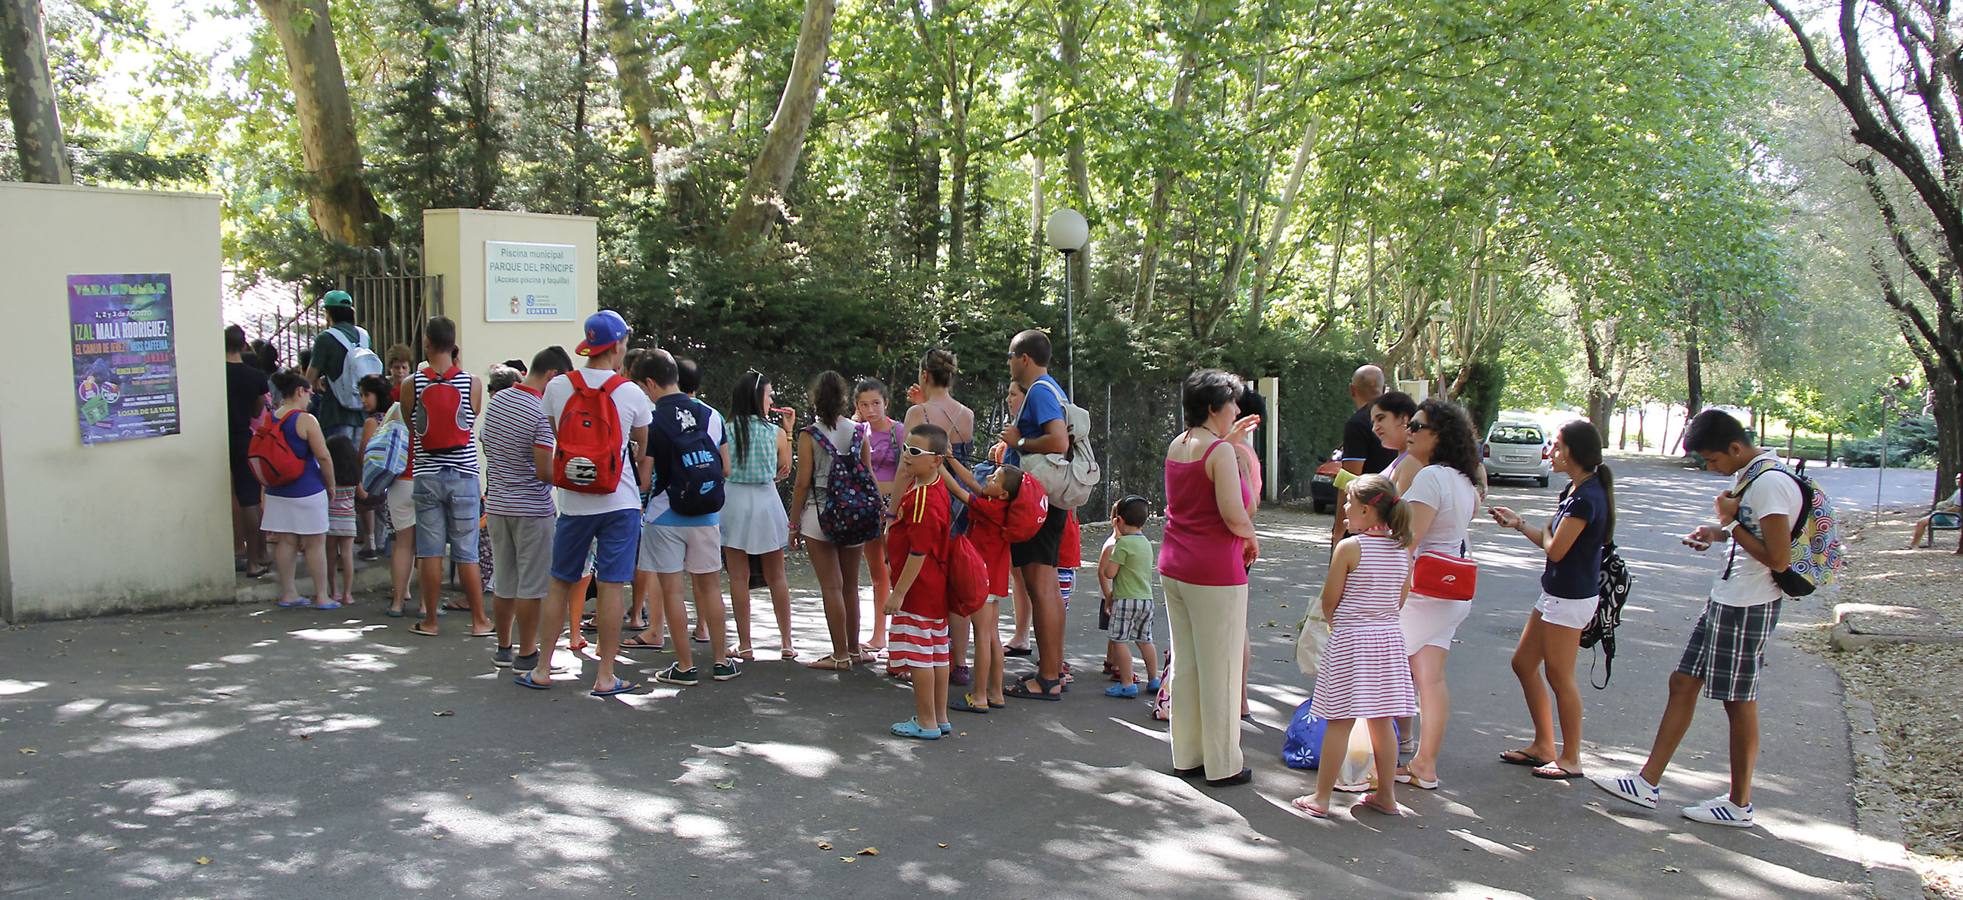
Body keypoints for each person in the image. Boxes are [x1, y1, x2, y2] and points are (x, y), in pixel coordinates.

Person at [1592, 409, 1801, 829]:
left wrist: (1729, 523)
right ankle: (1647, 782)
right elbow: (1755, 533)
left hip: (1749, 603)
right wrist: (1719, 531)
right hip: (1729, 598)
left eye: (1712, 459)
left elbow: (1778, 557)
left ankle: (1740, 804)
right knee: (1683, 680)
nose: (1711, 468)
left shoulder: (1771, 483)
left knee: (1738, 700)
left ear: (1735, 448)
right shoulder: (1755, 477)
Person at [522, 310, 649, 695]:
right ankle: (605, 675)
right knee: (612, 586)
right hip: (619, 500)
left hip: (574, 502)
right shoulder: (630, 392)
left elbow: (561, 437)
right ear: (618, 345)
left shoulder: (559, 386)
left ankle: (543, 668)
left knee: (560, 582)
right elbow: (642, 447)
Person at [1488, 420, 1615, 781]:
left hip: (1570, 597)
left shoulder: (1587, 497)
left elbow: (1556, 549)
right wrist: (1519, 523)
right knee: (1524, 664)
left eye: (1557, 446)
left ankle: (1571, 757)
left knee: (1560, 676)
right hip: (1556, 593)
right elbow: (1551, 541)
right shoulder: (1577, 491)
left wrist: (1543, 532)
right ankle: (1544, 745)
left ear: (1573, 451)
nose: (1552, 452)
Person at [1290, 474, 1418, 819]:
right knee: (1382, 720)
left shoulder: (1350, 547)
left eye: (1348, 502)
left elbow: (1330, 600)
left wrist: (1340, 622)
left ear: (1365, 509)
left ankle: (1322, 796)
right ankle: (1386, 795)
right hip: (1388, 639)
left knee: (1338, 720)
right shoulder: (1403, 548)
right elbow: (1401, 599)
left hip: (1350, 639)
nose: (1344, 508)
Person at [1158, 369, 1260, 785]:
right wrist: (1252, 536)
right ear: (1214, 407)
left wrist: (1229, 445)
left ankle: (1187, 754)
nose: (1237, 409)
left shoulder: (1179, 444)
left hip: (1175, 564)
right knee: (1221, 667)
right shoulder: (1218, 452)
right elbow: (1234, 514)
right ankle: (1222, 764)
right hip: (1216, 570)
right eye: (1232, 402)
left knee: (1187, 664)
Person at [633, 350, 740, 685]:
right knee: (710, 588)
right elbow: (724, 468)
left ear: (650, 382)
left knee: (673, 592)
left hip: (665, 514)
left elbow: (646, 480)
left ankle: (684, 666)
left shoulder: (651, 419)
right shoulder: (711, 414)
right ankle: (722, 662)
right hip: (706, 513)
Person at [1395, 398, 1482, 790]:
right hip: (1452, 592)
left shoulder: (1431, 478)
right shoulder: (1463, 481)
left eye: (1417, 426)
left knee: (1381, 668)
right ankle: (1424, 764)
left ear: (1439, 436)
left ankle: (1366, 763)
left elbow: (1408, 543)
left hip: (1424, 591)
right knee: (1430, 678)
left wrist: (1388, 594)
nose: (1409, 432)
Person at [483, 346, 571, 672]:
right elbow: (544, 470)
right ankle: (527, 652)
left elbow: (486, 444)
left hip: (498, 504)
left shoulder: (498, 401)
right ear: (552, 376)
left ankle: (503, 647)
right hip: (533, 508)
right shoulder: (539, 411)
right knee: (532, 585)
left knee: (503, 579)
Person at [405, 317, 490, 638]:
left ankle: (430, 620)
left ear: (426, 343)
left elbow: (411, 423)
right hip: (464, 475)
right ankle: (480, 620)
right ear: (455, 346)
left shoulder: (411, 383)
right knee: (466, 551)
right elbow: (470, 419)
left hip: (426, 475)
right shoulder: (472, 383)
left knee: (430, 551)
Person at [1001, 330, 1074, 700]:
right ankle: (1052, 670)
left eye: (1011, 356)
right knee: (1043, 587)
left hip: (1037, 500)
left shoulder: (1041, 391)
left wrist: (1019, 442)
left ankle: (1047, 677)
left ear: (1024, 358)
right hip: (1048, 499)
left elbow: (1059, 441)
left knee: (1040, 585)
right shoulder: (1053, 389)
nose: (1009, 363)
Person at [708, 370, 798, 660]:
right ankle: (787, 642)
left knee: (738, 576)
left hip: (733, 501)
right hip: (765, 500)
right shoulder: (774, 432)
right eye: (769, 395)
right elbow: (784, 469)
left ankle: (745, 645)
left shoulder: (725, 428)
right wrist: (789, 432)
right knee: (777, 575)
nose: (772, 400)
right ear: (758, 397)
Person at [789, 371, 874, 670]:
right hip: (854, 514)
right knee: (850, 586)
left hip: (819, 513)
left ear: (816, 399)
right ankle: (854, 650)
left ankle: (838, 656)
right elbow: (868, 474)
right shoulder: (859, 431)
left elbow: (802, 483)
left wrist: (793, 524)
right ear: (843, 399)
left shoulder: (808, 435)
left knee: (832, 587)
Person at [884, 423, 957, 739]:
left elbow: (918, 552)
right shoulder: (932, 486)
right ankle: (939, 717)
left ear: (936, 459)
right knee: (937, 651)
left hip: (918, 589)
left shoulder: (924, 498)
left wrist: (898, 594)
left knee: (919, 656)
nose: (907, 456)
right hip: (934, 587)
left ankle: (926, 721)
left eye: (915, 452)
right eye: (905, 448)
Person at [941, 462, 1025, 713]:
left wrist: (937, 464)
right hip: (995, 580)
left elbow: (958, 490)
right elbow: (973, 483)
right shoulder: (999, 505)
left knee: (983, 637)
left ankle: (978, 695)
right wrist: (951, 459)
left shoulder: (991, 508)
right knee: (992, 636)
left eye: (995, 478)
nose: (988, 478)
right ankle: (995, 692)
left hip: (982, 581)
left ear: (1003, 494)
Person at [263, 369, 338, 610]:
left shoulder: (271, 417)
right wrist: (331, 484)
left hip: (277, 490)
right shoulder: (306, 420)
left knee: (286, 541)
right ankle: (322, 595)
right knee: (315, 543)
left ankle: (288, 593)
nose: (311, 397)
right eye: (309, 392)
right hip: (307, 489)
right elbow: (324, 456)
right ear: (299, 391)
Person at [856, 378, 905, 655]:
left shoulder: (899, 431)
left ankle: (899, 634)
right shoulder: (858, 431)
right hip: (868, 507)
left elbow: (908, 470)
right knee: (877, 574)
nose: (870, 409)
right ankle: (878, 635)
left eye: (876, 403)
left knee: (896, 570)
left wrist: (893, 505)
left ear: (886, 402)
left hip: (895, 507)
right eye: (864, 404)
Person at [1100, 495, 1162, 699]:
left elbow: (1109, 573)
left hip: (1125, 599)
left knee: (1119, 640)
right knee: (1145, 640)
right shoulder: (1145, 543)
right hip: (1146, 600)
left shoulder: (1123, 544)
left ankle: (1127, 683)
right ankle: (1154, 679)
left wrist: (1115, 545)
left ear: (1119, 521)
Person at [226, 325, 271, 578]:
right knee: (250, 499)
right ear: (244, 346)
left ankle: (235, 551)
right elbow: (257, 412)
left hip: (216, 438)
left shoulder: (213, 373)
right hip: (244, 438)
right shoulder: (255, 376)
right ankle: (256, 559)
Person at [1334, 365, 1397, 541]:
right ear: (1383, 390)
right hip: (1395, 513)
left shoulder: (1358, 423)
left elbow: (1349, 478)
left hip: (1365, 517)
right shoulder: (1397, 420)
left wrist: (1339, 530)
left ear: (1352, 390)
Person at [303, 290, 370, 442]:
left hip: (335, 414)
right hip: (363, 414)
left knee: (338, 461)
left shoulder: (325, 338)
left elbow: (309, 377)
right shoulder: (364, 336)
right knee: (357, 463)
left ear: (329, 313)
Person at [355, 374, 394, 560]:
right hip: (392, 472)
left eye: (366, 395)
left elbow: (364, 451)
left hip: (374, 473)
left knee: (366, 505)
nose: (363, 400)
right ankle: (383, 542)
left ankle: (370, 543)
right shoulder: (393, 416)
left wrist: (358, 475)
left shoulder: (371, 422)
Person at [323, 434, 359, 606]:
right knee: (347, 556)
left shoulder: (327, 477)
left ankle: (334, 591)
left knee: (330, 556)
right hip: (348, 520)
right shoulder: (354, 475)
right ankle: (347, 594)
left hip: (330, 519)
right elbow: (363, 495)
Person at [1370, 391, 1420, 490]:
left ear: (1403, 418)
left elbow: (1401, 504)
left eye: (1380, 418)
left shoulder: (1413, 460)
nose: (1374, 428)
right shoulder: (1403, 458)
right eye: (1373, 423)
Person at [1909, 472, 1962, 549]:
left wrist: (1942, 512)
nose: (1957, 481)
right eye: (1956, 479)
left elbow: (1956, 508)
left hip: (1948, 517)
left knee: (1921, 522)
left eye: (1959, 479)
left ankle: (1914, 545)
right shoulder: (1958, 490)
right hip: (1945, 515)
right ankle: (1917, 543)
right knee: (1924, 520)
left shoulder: (1960, 493)